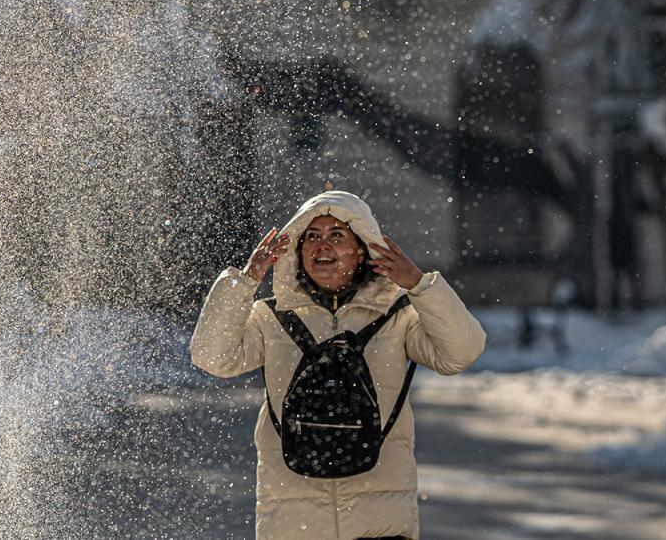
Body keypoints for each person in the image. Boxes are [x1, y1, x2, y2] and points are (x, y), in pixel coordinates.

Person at [191, 189, 486, 540]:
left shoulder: (398, 317)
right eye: (311, 237)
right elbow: (212, 357)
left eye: (337, 236)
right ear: (297, 253)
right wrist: (246, 280)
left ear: (362, 250)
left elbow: (461, 353)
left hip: (379, 526)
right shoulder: (270, 319)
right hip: (294, 525)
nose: (323, 246)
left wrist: (419, 286)